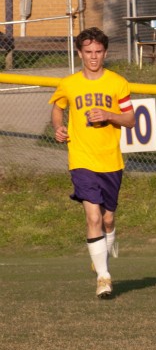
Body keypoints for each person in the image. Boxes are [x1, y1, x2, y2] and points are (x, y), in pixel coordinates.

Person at [49, 27, 135, 299]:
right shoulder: (69, 84)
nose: (94, 57)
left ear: (105, 53)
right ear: (79, 53)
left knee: (108, 220)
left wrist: (109, 115)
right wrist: (58, 127)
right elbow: (57, 107)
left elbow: (130, 119)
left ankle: (101, 256)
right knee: (93, 217)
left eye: (98, 51)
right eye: (88, 52)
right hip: (81, 159)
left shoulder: (117, 83)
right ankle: (103, 277)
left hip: (110, 160)